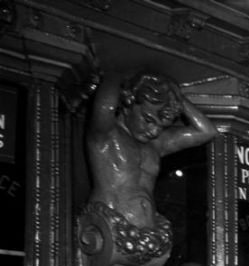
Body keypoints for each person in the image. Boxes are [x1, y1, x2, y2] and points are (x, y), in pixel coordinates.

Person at [86, 70, 218, 230]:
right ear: (128, 105)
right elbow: (105, 106)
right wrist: (115, 71)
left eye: (161, 126)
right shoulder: (107, 135)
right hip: (110, 227)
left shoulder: (156, 144)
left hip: (148, 234)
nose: (154, 131)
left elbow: (207, 131)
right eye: (148, 120)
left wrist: (174, 95)